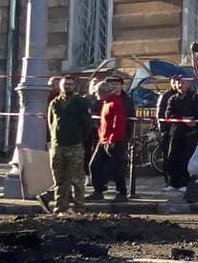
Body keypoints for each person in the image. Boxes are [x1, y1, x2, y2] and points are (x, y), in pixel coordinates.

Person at [43, 77, 89, 215]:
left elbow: (87, 124)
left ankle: (79, 207)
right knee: (59, 179)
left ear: (74, 86)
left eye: (70, 84)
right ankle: (61, 207)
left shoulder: (79, 102)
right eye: (65, 85)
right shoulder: (54, 103)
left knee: (76, 179)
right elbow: (51, 122)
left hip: (74, 146)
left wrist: (79, 139)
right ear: (61, 86)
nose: (68, 87)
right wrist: (53, 140)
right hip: (58, 146)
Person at [158, 76, 198, 207]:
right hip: (176, 132)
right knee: (172, 157)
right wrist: (182, 119)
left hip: (190, 134)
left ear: (188, 84)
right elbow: (168, 115)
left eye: (183, 82)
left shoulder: (194, 98)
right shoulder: (173, 98)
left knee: (187, 159)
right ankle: (173, 182)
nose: (180, 84)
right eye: (178, 82)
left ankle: (185, 183)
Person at [95, 77, 132, 202]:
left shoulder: (115, 103)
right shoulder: (106, 103)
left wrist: (112, 139)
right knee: (94, 165)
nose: (96, 95)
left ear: (103, 93)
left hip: (114, 140)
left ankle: (122, 192)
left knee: (116, 168)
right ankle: (98, 190)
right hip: (104, 139)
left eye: (97, 93)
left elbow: (118, 123)